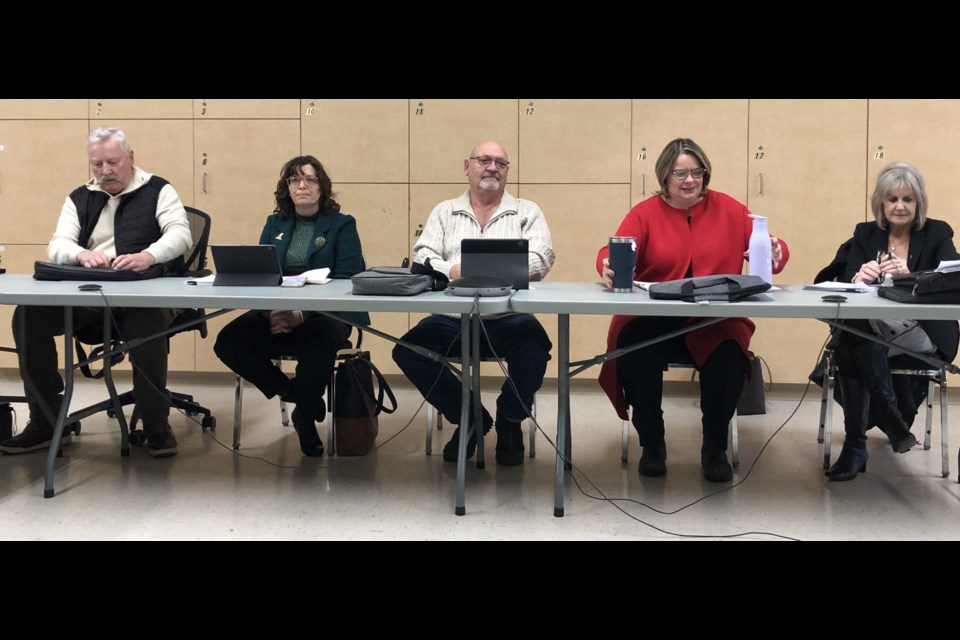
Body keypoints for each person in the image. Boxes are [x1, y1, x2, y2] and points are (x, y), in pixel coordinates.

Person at [596, 137, 790, 482]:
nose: (689, 180)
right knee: (635, 354)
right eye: (680, 173)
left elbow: (774, 247)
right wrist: (608, 265)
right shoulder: (645, 212)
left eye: (696, 172)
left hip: (712, 320)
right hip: (652, 320)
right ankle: (652, 444)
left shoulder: (729, 209)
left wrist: (775, 250)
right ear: (664, 176)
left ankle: (713, 448)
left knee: (729, 360)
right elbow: (614, 250)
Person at [0, 127, 193, 457]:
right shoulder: (79, 197)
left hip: (144, 294)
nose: (105, 171)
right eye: (97, 164)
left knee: (146, 320)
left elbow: (180, 235)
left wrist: (149, 255)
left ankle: (155, 421)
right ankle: (47, 422)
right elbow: (58, 244)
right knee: (28, 315)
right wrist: (80, 254)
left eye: (113, 162)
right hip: (92, 299)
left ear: (130, 158)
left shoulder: (159, 190)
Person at [391, 141, 555, 466]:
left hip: (508, 315)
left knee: (535, 348)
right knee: (407, 350)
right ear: (468, 166)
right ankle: (469, 418)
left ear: (507, 171)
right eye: (484, 160)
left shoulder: (527, 211)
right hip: (453, 315)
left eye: (500, 163)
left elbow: (542, 258)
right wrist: (451, 269)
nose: (492, 167)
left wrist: (488, 271)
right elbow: (423, 255)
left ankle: (510, 418)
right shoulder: (444, 211)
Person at [214, 155, 368, 457]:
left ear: (321, 187)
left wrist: (302, 314)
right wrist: (272, 312)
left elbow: (346, 282)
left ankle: (305, 419)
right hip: (275, 312)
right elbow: (261, 273)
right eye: (295, 179)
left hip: (326, 315)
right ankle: (293, 393)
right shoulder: (275, 223)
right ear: (287, 187)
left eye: (310, 179)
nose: (302, 185)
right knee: (229, 341)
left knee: (320, 340)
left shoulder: (341, 225)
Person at [825, 161, 959, 481]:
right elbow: (843, 282)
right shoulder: (865, 233)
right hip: (873, 331)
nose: (900, 206)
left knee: (850, 338)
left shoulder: (938, 232)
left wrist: (911, 278)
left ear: (918, 203)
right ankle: (880, 430)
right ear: (881, 205)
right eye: (892, 199)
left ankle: (859, 445)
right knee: (852, 331)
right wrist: (859, 277)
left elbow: (953, 281)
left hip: (922, 331)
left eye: (907, 199)